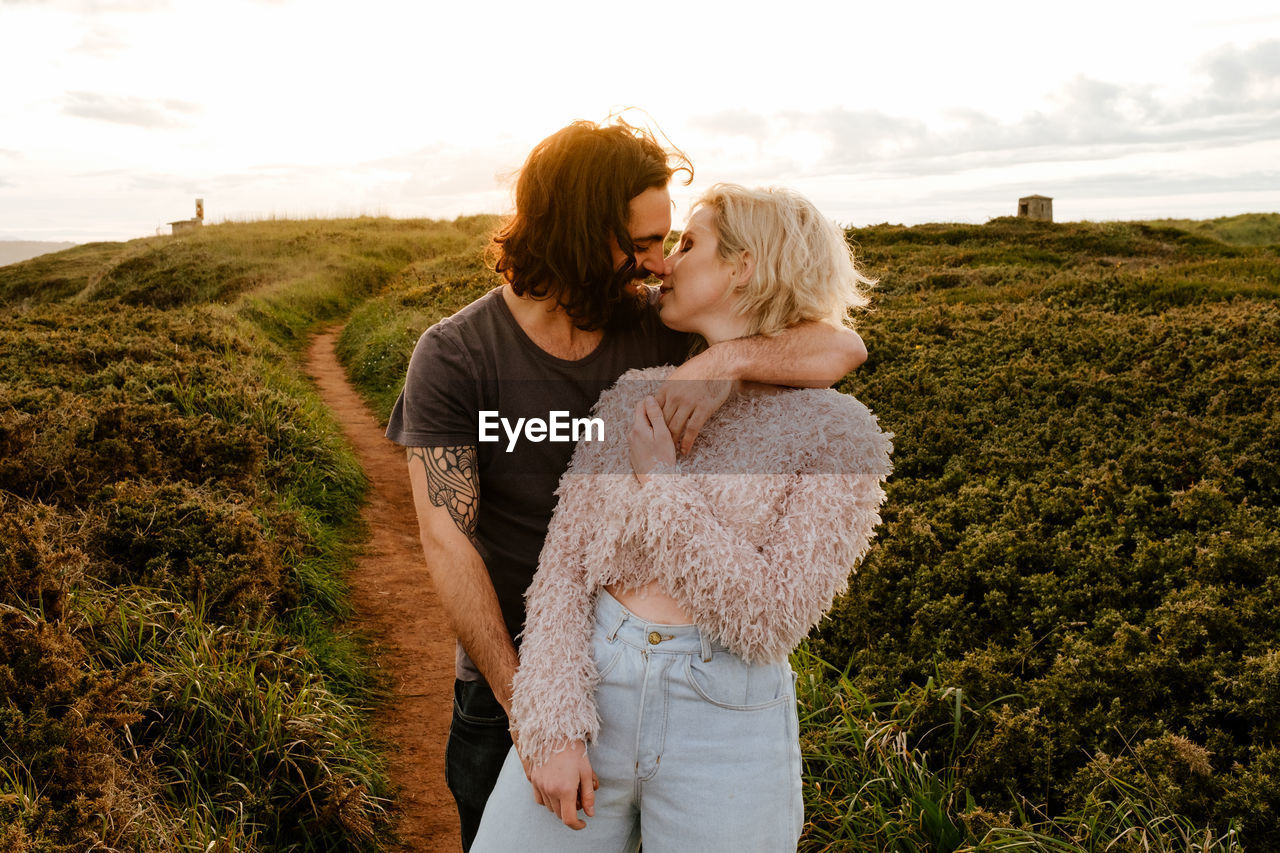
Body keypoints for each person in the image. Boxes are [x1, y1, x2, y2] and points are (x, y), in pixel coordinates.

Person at [386, 121, 868, 850]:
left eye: (667, 243)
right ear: (579, 230)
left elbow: (840, 345)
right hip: (510, 675)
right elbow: (447, 541)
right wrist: (536, 714)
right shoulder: (456, 355)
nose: (653, 264)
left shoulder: (656, 329)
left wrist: (722, 362)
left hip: (695, 690)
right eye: (639, 244)